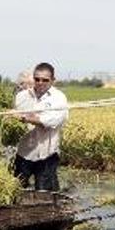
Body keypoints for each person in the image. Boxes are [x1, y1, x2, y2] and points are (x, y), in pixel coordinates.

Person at [13, 62, 68, 191]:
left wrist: (26, 118)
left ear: (53, 80)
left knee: (45, 193)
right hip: (24, 153)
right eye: (37, 79)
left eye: (45, 80)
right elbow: (12, 118)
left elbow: (53, 120)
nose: (40, 83)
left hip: (47, 155)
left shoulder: (58, 98)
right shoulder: (22, 97)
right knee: (16, 190)